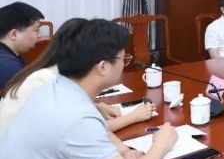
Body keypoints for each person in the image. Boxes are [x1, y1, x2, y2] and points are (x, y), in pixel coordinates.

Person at [0, 19, 178, 159]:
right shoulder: (75, 114)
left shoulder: (55, 89)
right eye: (123, 58)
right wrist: (161, 144)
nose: (125, 63)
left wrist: (122, 150)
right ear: (102, 67)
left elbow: (88, 133)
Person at [0, 18, 155, 141]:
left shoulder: (52, 73)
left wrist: (96, 106)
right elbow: (87, 130)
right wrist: (134, 117)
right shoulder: (49, 83)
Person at [0, 1, 44, 88]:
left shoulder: (9, 56)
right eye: (36, 30)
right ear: (14, 34)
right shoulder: (9, 67)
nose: (39, 36)